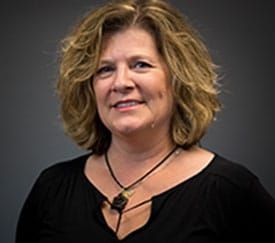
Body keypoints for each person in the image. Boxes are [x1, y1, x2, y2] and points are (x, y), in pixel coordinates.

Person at [16, 0, 275, 242]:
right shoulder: (52, 188)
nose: (121, 83)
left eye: (140, 65)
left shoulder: (231, 190)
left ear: (178, 79)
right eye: (105, 69)